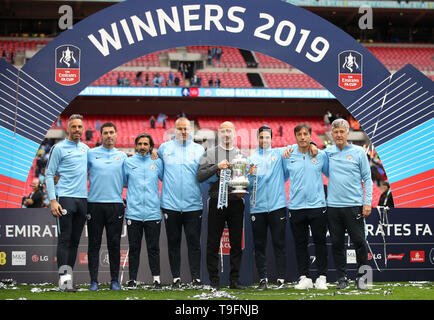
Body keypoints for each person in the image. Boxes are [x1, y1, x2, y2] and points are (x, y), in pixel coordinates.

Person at [197, 121, 246, 290]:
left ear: (234, 133)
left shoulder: (241, 155)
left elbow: (245, 179)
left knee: (235, 243)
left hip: (236, 203)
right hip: (217, 201)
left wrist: (243, 187)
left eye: (229, 131)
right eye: (223, 131)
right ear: (219, 133)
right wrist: (216, 169)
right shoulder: (209, 153)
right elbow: (200, 176)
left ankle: (234, 280)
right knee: (213, 243)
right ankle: (214, 281)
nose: (226, 134)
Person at [325, 118, 373, 290]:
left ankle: (363, 278)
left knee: (360, 242)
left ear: (347, 133)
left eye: (342, 131)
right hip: (333, 207)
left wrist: (367, 203)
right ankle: (342, 278)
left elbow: (367, 179)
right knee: (337, 244)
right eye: (336, 132)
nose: (339, 134)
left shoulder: (359, 152)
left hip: (354, 206)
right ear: (332, 133)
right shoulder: (327, 153)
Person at [157, 117, 205, 288]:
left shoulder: (200, 150)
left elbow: (203, 175)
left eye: (186, 129)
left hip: (193, 205)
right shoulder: (164, 148)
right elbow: (161, 173)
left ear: (191, 130)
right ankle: (176, 278)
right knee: (173, 243)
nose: (184, 132)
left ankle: (196, 278)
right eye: (180, 129)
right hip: (171, 205)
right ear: (174, 130)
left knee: (194, 243)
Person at [45, 114, 89, 291]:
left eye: (79, 126)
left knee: (75, 242)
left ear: (83, 128)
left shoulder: (86, 149)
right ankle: (64, 283)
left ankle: (68, 280)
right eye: (74, 127)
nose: (77, 129)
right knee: (65, 240)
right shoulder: (59, 148)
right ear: (68, 128)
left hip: (82, 200)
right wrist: (53, 200)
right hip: (65, 199)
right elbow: (49, 174)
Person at [284, 123, 329, 290]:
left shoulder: (321, 155)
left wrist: (315, 147)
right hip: (296, 207)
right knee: (300, 243)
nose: (302, 137)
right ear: (295, 137)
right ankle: (304, 278)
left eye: (305, 134)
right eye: (299, 134)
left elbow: (331, 174)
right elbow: (282, 175)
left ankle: (322, 277)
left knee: (320, 242)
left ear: (310, 136)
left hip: (317, 206)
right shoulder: (288, 155)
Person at [247, 126, 289, 290]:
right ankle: (263, 280)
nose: (264, 140)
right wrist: (250, 175)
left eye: (267, 137)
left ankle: (281, 279)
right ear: (257, 138)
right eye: (261, 137)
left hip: (277, 206)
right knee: (259, 245)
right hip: (257, 208)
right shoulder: (251, 157)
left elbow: (285, 174)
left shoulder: (278, 154)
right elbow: (249, 185)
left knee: (279, 244)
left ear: (271, 139)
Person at [86, 122, 127, 291]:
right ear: (100, 136)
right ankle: (93, 281)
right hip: (94, 204)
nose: (109, 135)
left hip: (116, 205)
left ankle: (114, 280)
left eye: (111, 132)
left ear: (116, 135)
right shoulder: (90, 154)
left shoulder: (123, 156)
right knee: (94, 244)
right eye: (105, 133)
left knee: (114, 244)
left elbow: (129, 180)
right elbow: (80, 174)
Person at [124, 133, 164, 289]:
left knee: (153, 248)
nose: (142, 147)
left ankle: (156, 280)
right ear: (135, 146)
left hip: (153, 212)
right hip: (133, 213)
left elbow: (165, 179)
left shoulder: (158, 163)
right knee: (134, 248)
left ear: (150, 146)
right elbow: (122, 182)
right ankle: (132, 280)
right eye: (139, 144)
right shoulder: (128, 163)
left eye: (145, 144)